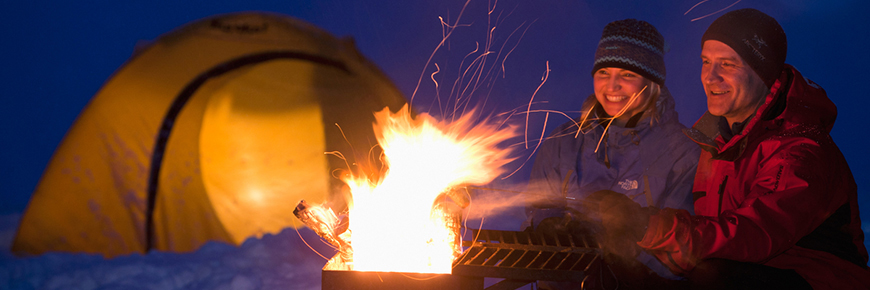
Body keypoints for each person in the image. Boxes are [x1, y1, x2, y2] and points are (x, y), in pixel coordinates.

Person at [596, 8, 870, 290]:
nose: (710, 77)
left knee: (713, 275)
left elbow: (753, 235)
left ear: (762, 73)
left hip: (817, 280)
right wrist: (615, 232)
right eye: (706, 62)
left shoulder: (800, 149)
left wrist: (649, 226)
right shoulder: (718, 142)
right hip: (741, 274)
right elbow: (708, 245)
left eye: (727, 65)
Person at [525, 19, 700, 289]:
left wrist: (625, 239)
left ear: (652, 82)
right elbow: (537, 211)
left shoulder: (683, 152)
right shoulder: (563, 142)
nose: (612, 85)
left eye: (628, 75)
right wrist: (550, 227)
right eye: (603, 72)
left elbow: (684, 254)